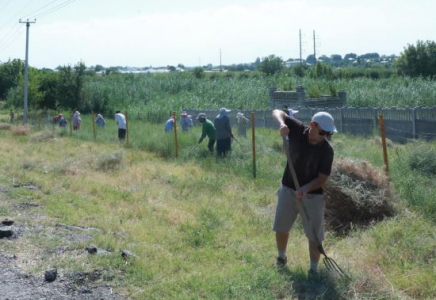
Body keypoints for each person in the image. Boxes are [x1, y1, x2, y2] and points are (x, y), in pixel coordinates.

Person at [272, 109, 337, 278]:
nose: (324, 136)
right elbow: (277, 111)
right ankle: (281, 257)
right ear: (312, 125)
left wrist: (306, 188)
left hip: (313, 196)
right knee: (281, 227)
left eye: (328, 134)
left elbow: (323, 177)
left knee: (314, 236)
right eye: (322, 132)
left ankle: (313, 270)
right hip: (288, 188)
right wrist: (282, 124)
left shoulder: (327, 151)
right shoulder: (297, 129)